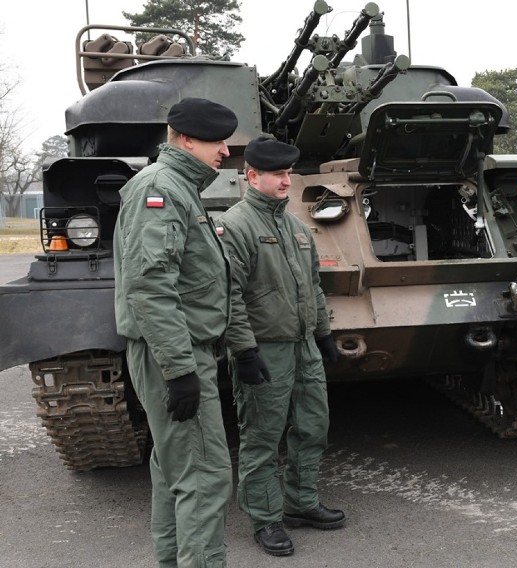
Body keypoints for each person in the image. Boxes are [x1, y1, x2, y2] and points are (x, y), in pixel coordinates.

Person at [113, 97, 237, 568]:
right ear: (185, 139)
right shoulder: (162, 188)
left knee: (174, 474)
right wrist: (182, 368)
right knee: (204, 478)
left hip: (174, 348)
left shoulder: (177, 186)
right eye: (216, 141)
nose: (225, 151)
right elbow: (150, 286)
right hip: (174, 352)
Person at [218, 136, 345, 557]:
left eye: (289, 173)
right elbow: (229, 295)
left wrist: (323, 333)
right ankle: (266, 518)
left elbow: (312, 284)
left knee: (313, 426)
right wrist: (244, 350)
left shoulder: (294, 224)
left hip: (303, 344)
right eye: (278, 174)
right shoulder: (236, 225)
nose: (287, 180)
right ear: (253, 176)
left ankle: (301, 502)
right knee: (262, 437)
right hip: (264, 347)